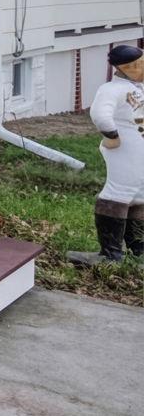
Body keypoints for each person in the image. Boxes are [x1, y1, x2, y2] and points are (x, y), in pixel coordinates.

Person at [72, 42, 144, 266]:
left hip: (132, 152)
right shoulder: (113, 89)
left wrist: (112, 137)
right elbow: (101, 114)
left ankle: (113, 255)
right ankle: (135, 253)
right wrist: (112, 135)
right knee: (132, 196)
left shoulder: (133, 88)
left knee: (120, 196)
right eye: (138, 65)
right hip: (129, 150)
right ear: (124, 67)